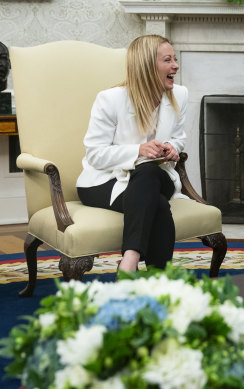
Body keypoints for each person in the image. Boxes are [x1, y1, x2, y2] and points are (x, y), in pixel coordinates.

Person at [76, 35, 186, 273]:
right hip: (105, 181)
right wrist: (138, 151)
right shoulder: (110, 99)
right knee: (156, 203)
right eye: (168, 60)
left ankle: (129, 261)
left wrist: (172, 148)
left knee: (148, 171)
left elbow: (179, 138)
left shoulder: (180, 94)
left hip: (158, 177)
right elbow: (95, 155)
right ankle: (159, 279)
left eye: (175, 59)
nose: (175, 66)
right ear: (147, 65)